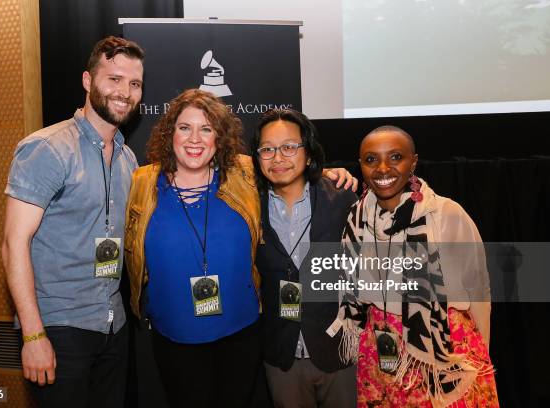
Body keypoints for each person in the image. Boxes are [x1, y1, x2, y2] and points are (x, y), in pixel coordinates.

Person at [124, 89, 356, 408]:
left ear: (220, 138)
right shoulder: (142, 181)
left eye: (207, 129)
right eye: (184, 127)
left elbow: (284, 164)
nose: (195, 138)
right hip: (173, 337)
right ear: (169, 132)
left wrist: (326, 173)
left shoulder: (242, 174)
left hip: (241, 335)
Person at [2, 36, 144, 407]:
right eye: (113, 79)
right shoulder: (47, 149)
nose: (124, 92)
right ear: (87, 80)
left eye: (134, 84)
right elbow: (13, 243)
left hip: (114, 324)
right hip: (60, 328)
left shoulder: (128, 159)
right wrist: (33, 337)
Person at [338, 126, 499, 407]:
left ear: (413, 162)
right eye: (371, 159)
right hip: (380, 353)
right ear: (360, 165)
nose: (383, 168)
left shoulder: (447, 213)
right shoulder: (356, 218)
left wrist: (480, 351)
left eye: (396, 157)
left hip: (444, 352)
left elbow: (478, 290)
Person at [251, 108, 358, 408]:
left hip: (337, 352)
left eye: (289, 147)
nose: (278, 158)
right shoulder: (246, 204)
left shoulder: (342, 198)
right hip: (281, 355)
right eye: (268, 149)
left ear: (309, 154)